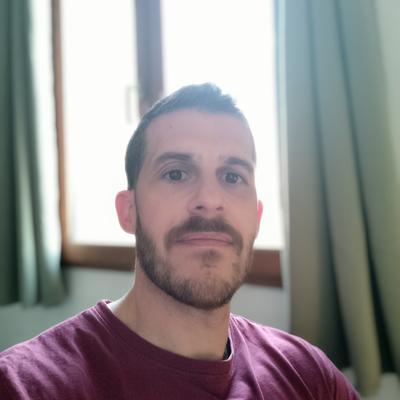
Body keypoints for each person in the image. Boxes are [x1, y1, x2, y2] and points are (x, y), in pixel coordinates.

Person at [0, 83, 359, 399]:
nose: (210, 200)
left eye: (232, 177)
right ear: (129, 211)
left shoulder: (309, 376)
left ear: (257, 217)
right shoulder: (23, 386)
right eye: (176, 173)